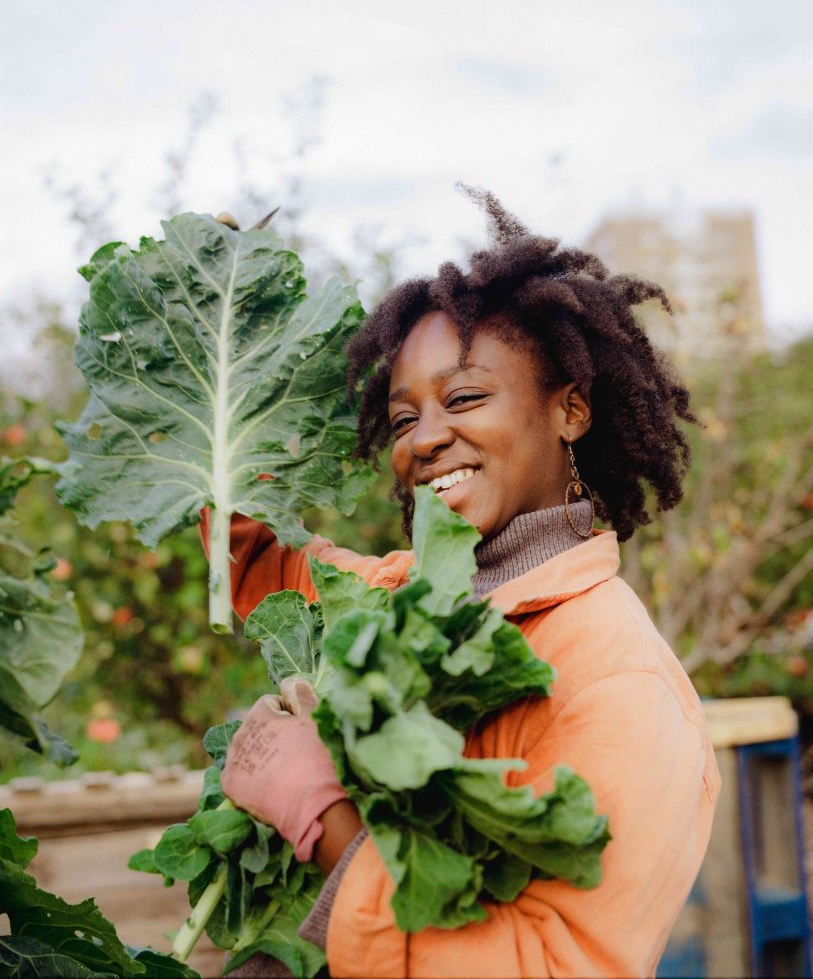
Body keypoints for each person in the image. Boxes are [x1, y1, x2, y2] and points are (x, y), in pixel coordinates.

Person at [210, 190, 720, 979]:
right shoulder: (405, 597)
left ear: (571, 411)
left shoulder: (617, 680)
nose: (426, 439)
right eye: (403, 416)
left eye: (464, 398)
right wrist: (227, 353)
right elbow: (262, 567)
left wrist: (323, 818)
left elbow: (552, 965)